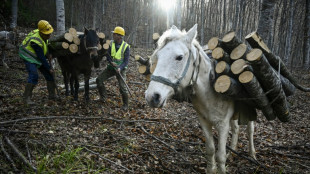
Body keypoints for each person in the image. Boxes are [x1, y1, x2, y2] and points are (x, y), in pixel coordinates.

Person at [19, 20, 57, 105]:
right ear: (41, 33)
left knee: (49, 75)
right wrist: (49, 68)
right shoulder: (35, 41)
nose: (49, 35)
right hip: (28, 56)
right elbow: (41, 58)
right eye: (47, 34)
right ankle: (26, 98)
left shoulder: (43, 35)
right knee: (33, 75)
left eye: (50, 33)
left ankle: (52, 96)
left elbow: (44, 47)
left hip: (36, 56)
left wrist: (48, 54)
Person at [96, 26, 130, 110]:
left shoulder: (126, 46)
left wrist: (120, 68)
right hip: (111, 68)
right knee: (99, 80)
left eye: (114, 34)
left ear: (119, 36)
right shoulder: (110, 43)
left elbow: (126, 61)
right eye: (114, 34)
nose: (113, 35)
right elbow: (108, 56)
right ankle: (103, 98)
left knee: (123, 88)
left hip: (121, 70)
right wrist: (111, 62)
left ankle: (126, 104)